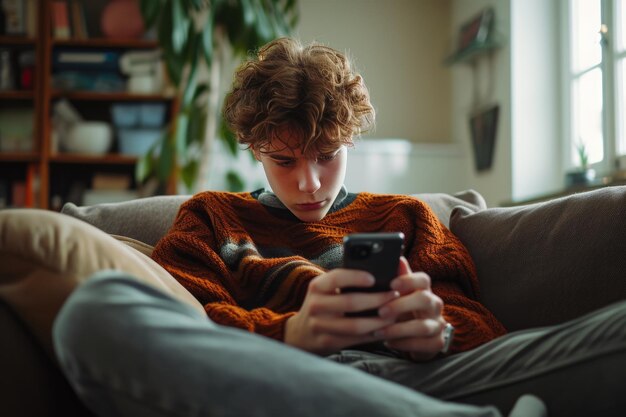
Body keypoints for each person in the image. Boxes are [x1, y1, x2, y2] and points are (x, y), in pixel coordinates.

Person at [52, 38, 626, 417]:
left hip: (426, 380)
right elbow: (190, 327)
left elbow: (484, 333)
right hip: (281, 387)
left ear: (350, 141)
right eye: (285, 161)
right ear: (256, 150)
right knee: (93, 312)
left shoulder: (407, 217)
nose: (309, 183)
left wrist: (436, 331)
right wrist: (293, 335)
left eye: (326, 155)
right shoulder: (211, 219)